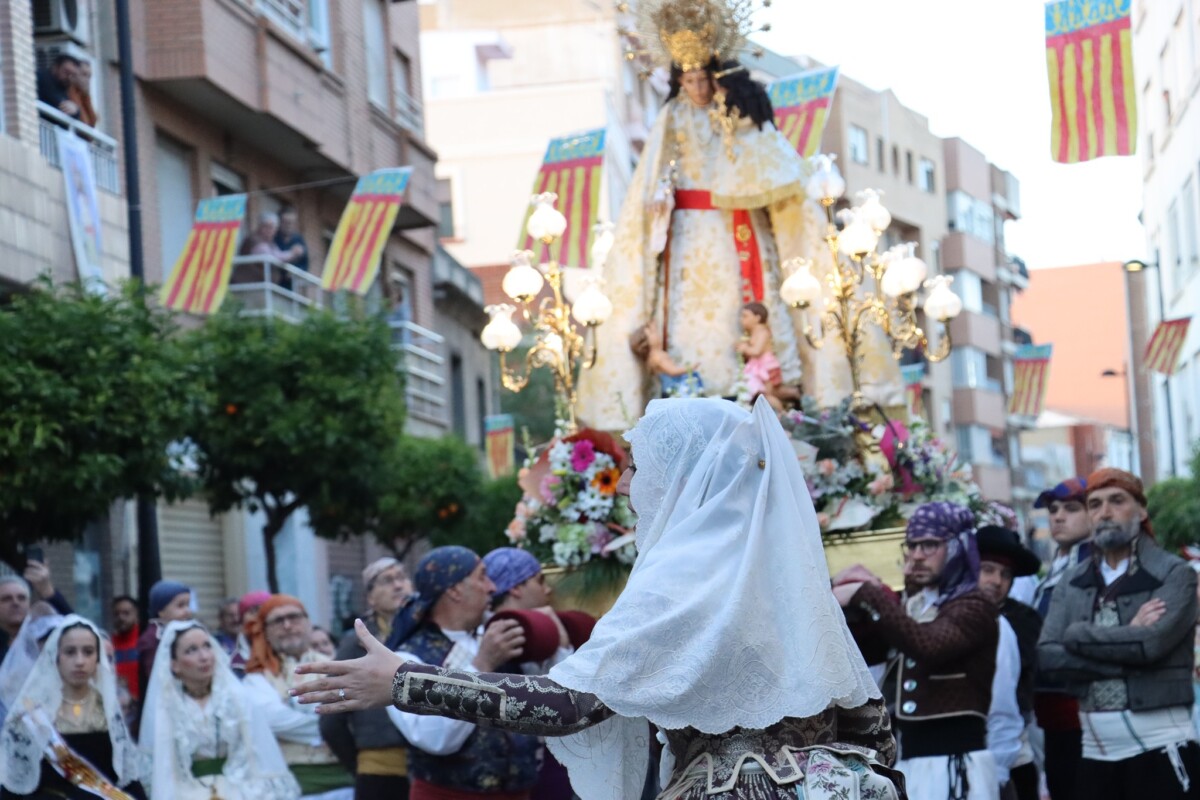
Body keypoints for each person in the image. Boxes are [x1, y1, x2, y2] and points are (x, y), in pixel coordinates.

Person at [294, 398, 905, 800]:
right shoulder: (773, 571)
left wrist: (407, 681)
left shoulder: (687, 575)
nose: (630, 487)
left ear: (686, 474)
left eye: (639, 467)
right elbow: (867, 719)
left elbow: (574, 704)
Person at [575, 0, 901, 431]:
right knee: (688, 318)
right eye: (687, 80)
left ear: (714, 71)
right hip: (688, 236)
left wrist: (739, 132)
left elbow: (774, 166)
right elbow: (652, 175)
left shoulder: (740, 111)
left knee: (751, 310)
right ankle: (692, 390)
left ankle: (758, 389)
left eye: (702, 78)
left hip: (740, 230)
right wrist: (658, 203)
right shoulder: (672, 116)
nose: (696, 88)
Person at [1038, 468, 1200, 800]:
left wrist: (1079, 634)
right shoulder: (1072, 581)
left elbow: (1152, 644)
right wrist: (1129, 639)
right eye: (1095, 504)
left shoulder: (1174, 574)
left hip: (1161, 747)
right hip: (1094, 753)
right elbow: (1049, 656)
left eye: (1117, 501)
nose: (1105, 513)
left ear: (1141, 511)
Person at [834, 501, 1000, 800]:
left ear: (958, 547)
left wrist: (866, 593)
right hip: (906, 760)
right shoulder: (912, 603)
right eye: (912, 545)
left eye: (930, 545)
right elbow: (872, 652)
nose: (918, 555)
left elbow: (927, 645)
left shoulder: (976, 605)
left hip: (954, 762)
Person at [370, 546, 542, 800]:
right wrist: (482, 665)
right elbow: (434, 738)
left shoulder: (495, 636)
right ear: (454, 590)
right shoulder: (406, 660)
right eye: (482, 576)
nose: (493, 587)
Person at [140, 620, 300, 799]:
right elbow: (165, 766)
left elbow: (254, 754)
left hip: (237, 788)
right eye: (191, 650)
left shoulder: (236, 698)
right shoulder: (167, 707)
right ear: (174, 664)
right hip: (185, 790)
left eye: (207, 646)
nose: (204, 657)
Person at [0, 616, 144, 799]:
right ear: (56, 656)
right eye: (70, 652)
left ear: (98, 658)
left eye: (88, 652)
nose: (80, 661)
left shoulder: (108, 712)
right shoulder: (32, 715)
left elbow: (127, 779)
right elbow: (15, 783)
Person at [320, 558, 413, 800]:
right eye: (387, 580)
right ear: (370, 597)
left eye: (402, 577)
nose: (398, 585)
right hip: (379, 769)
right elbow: (331, 718)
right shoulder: (356, 642)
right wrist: (359, 765)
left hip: (435, 772)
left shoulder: (427, 634)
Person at [242, 595, 353, 798]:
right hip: (289, 784)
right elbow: (273, 720)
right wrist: (331, 724)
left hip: (346, 778)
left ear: (308, 623)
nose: (287, 625)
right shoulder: (256, 678)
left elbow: (354, 713)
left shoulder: (335, 664)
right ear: (265, 630)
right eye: (277, 621)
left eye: (294, 617)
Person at [1029, 477, 1090, 799]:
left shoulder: (1094, 564)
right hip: (1049, 709)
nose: (1058, 516)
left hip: (1081, 710)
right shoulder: (1059, 565)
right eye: (1053, 510)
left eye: (1071, 508)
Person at [977, 526, 1044, 800]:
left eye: (1005, 574)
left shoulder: (1023, 619)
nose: (996, 580)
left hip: (1012, 752)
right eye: (988, 569)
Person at [0, 563, 73, 665]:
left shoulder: (46, 636)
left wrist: (47, 591)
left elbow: (75, 625)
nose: (15, 603)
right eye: (6, 599)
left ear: (29, 605)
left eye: (21, 598)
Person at [136, 579, 193, 704]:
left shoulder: (184, 632)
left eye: (188, 605)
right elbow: (156, 677)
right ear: (161, 611)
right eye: (180, 605)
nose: (187, 611)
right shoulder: (152, 638)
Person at [629, 322, 704, 399]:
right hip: (675, 388)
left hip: (669, 389)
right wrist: (689, 368)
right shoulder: (657, 357)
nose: (657, 334)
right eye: (652, 333)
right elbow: (673, 371)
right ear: (646, 341)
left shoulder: (655, 356)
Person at [736, 302, 785, 411]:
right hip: (758, 368)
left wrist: (745, 348)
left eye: (745, 316)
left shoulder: (763, 331)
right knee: (761, 394)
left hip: (767, 368)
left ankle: (783, 414)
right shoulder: (753, 332)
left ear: (757, 318)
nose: (741, 319)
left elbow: (757, 351)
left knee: (766, 395)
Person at [110, 595, 140, 706]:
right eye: (116, 614)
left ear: (136, 615)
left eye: (126, 613)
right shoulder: (109, 645)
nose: (121, 617)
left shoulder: (145, 641)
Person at [274, 206, 309, 290]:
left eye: (292, 223)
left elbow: (305, 263)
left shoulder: (298, 240)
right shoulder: (273, 237)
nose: (288, 226)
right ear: (279, 222)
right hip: (274, 282)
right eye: (285, 222)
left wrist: (296, 271)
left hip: (290, 285)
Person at [35, 55, 81, 119]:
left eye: (73, 75)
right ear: (55, 67)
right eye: (66, 72)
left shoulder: (64, 89)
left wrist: (76, 110)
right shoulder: (42, 77)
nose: (69, 77)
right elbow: (56, 103)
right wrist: (73, 109)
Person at [66, 59, 97, 128]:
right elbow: (83, 123)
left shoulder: (84, 96)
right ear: (73, 75)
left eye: (89, 77)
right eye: (84, 75)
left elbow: (92, 122)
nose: (87, 80)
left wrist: (87, 96)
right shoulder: (67, 91)